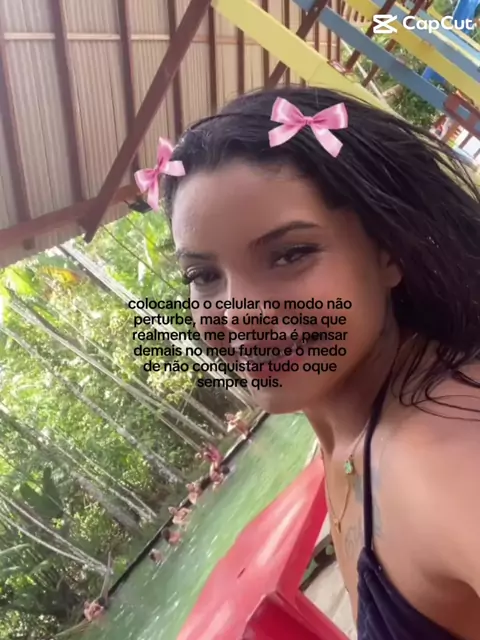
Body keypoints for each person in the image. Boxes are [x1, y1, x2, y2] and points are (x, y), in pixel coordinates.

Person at [160, 87, 480, 639]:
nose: (239, 315)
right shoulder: (350, 440)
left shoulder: (440, 457)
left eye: (290, 254)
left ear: (387, 250)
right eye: (204, 276)